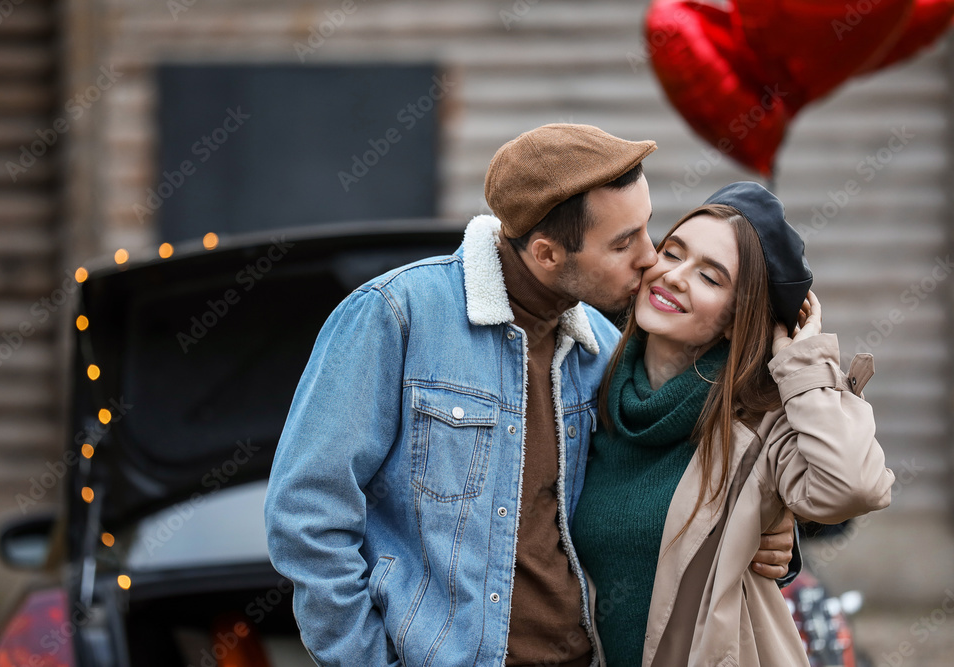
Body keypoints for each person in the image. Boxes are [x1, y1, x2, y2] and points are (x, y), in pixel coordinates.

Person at [264, 125, 795, 666]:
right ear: (546, 254)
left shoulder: (605, 349)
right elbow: (307, 515)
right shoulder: (396, 317)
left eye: (646, 229)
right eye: (622, 242)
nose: (650, 257)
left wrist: (773, 525)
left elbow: (684, 480)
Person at [571, 181, 896, 666]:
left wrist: (805, 364)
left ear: (734, 316)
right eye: (672, 252)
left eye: (710, 277)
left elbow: (850, 488)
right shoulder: (588, 383)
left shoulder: (760, 418)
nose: (675, 276)